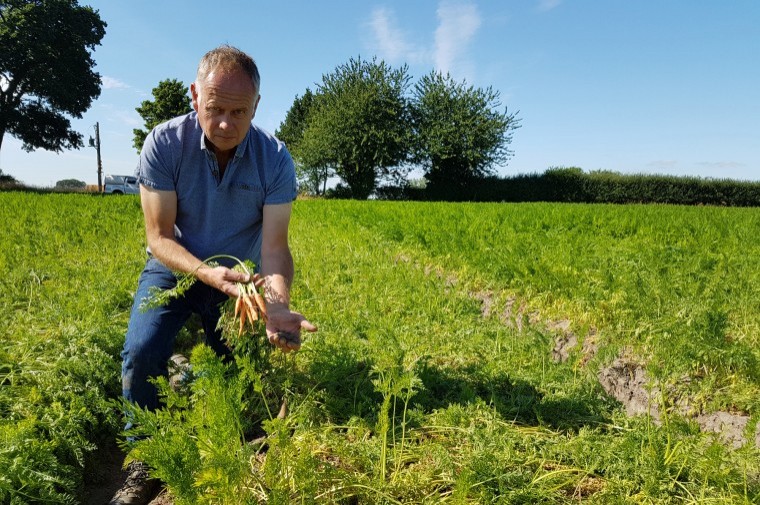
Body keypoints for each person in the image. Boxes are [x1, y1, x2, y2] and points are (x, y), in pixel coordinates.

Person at [109, 45, 316, 505]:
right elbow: (159, 237)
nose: (225, 123)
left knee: (230, 372)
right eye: (215, 108)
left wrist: (276, 304)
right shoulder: (164, 143)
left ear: (257, 106)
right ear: (194, 96)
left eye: (239, 112)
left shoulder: (275, 159)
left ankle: (206, 412)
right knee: (142, 351)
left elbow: (275, 247)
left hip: (239, 279)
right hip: (176, 267)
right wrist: (204, 272)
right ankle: (145, 456)